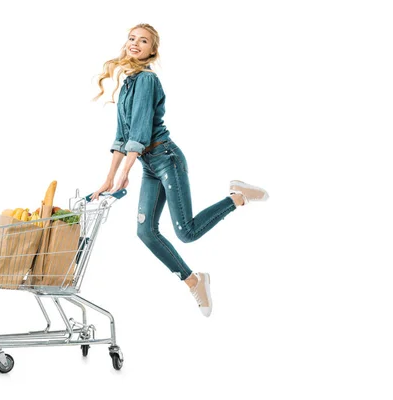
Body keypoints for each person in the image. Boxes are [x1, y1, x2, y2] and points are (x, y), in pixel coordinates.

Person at [91, 23, 269, 317]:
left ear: (152, 50)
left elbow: (139, 131)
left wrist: (125, 173)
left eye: (143, 41)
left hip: (166, 157)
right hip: (150, 165)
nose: (135, 43)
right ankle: (194, 281)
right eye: (132, 38)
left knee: (186, 233)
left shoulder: (147, 80)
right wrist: (108, 178)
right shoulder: (129, 82)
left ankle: (237, 196)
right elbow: (121, 137)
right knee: (145, 232)